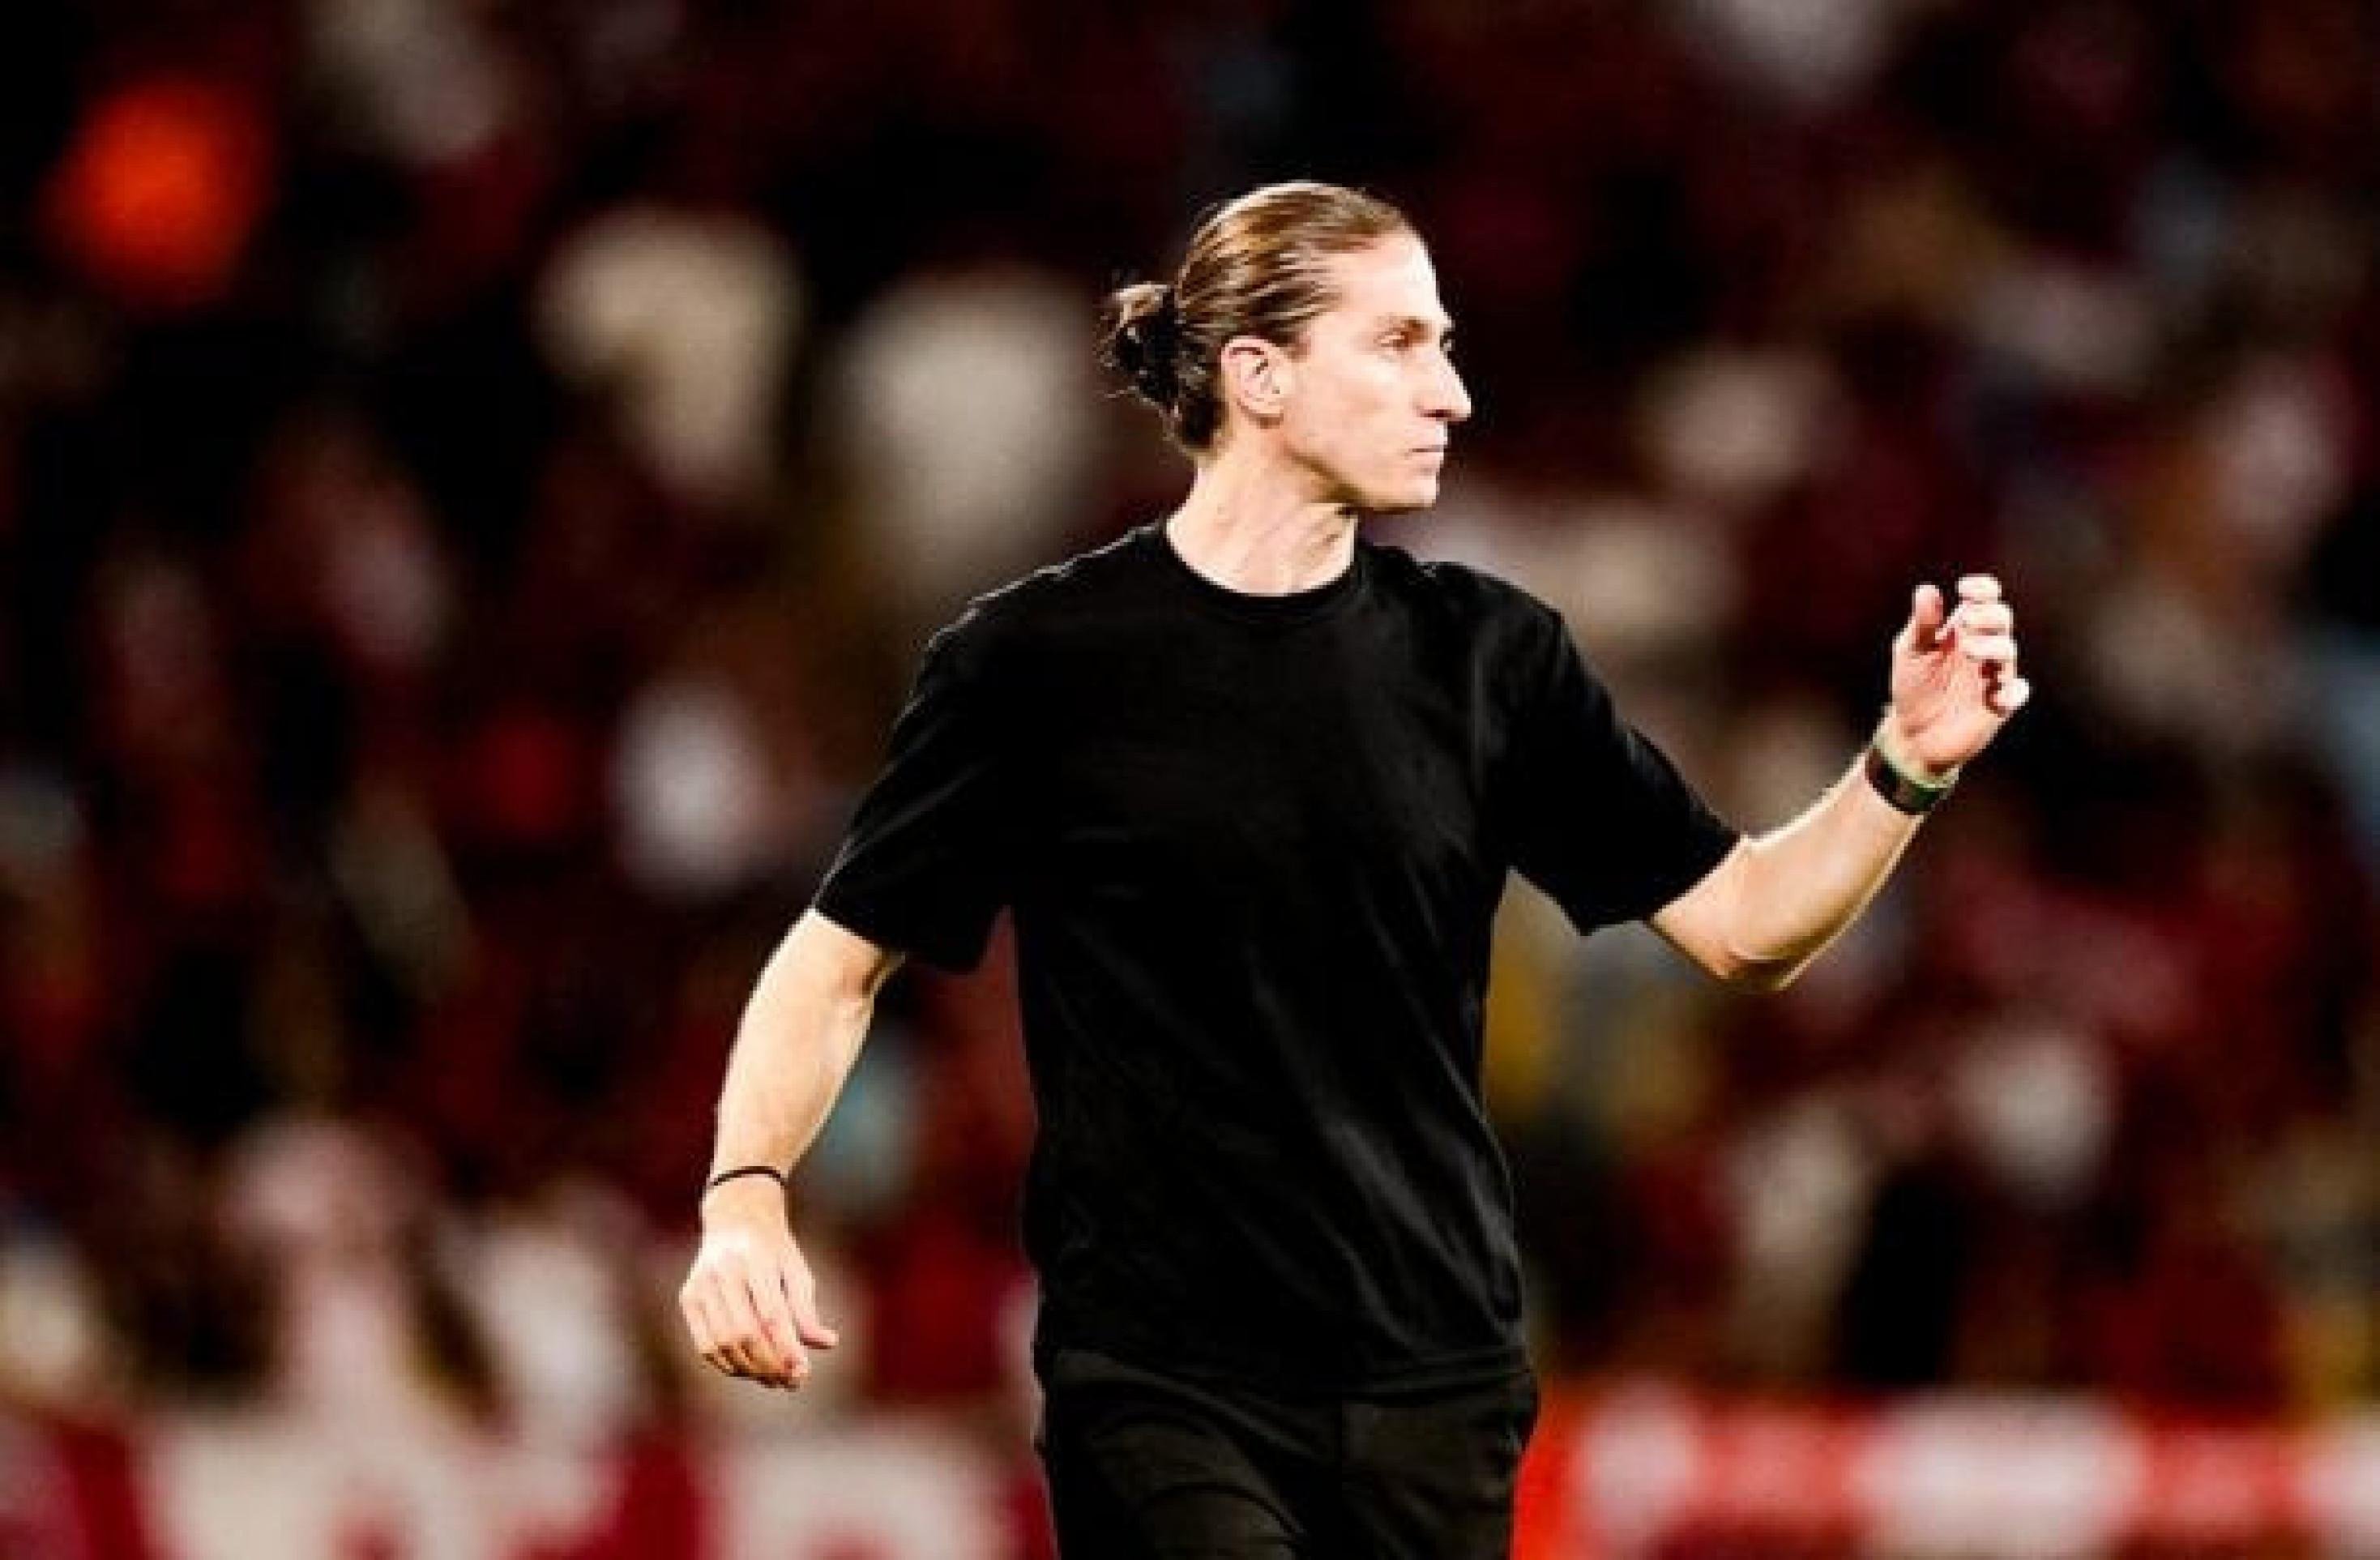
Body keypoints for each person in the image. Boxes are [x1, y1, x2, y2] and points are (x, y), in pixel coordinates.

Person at [677, 181, 2027, 1557]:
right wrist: (744, 1197)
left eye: (1444, 345)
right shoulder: (1033, 664)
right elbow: (834, 962)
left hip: (1436, 1385)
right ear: (1258, 377)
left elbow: (1742, 923)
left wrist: (1903, 766)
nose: (1450, 393)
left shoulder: (1490, 661)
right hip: (1161, 1384)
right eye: (1397, 344)